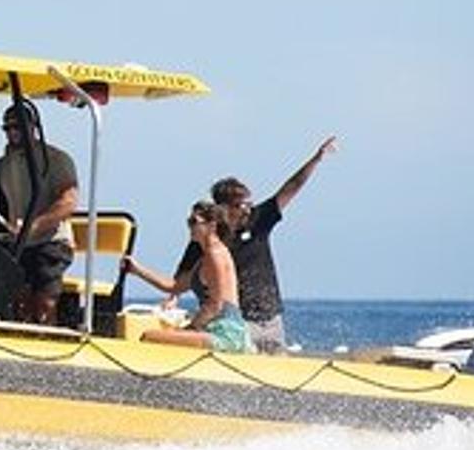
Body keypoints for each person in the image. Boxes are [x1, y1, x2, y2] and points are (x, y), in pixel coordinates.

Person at [167, 135, 337, 352]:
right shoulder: (206, 239)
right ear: (223, 208)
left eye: (249, 203)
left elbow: (290, 188)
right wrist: (171, 299)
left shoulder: (258, 220)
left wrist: (316, 159)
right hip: (237, 323)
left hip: (271, 320)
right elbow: (181, 279)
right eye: (241, 205)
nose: (248, 208)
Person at [0, 102, 79, 324]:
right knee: (15, 295)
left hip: (51, 242)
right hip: (19, 242)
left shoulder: (56, 159)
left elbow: (69, 202)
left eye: (18, 127)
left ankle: (47, 339)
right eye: (8, 128)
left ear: (33, 127)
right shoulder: (4, 164)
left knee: (44, 300)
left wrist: (35, 225)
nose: (13, 133)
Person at [124, 202, 250, 353]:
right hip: (215, 327)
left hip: (225, 333)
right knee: (162, 335)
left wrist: (190, 328)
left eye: (194, 222)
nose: (189, 227)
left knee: (149, 337)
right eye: (188, 222)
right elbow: (174, 286)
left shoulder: (215, 255)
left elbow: (216, 304)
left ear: (212, 225)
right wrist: (136, 269)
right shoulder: (204, 258)